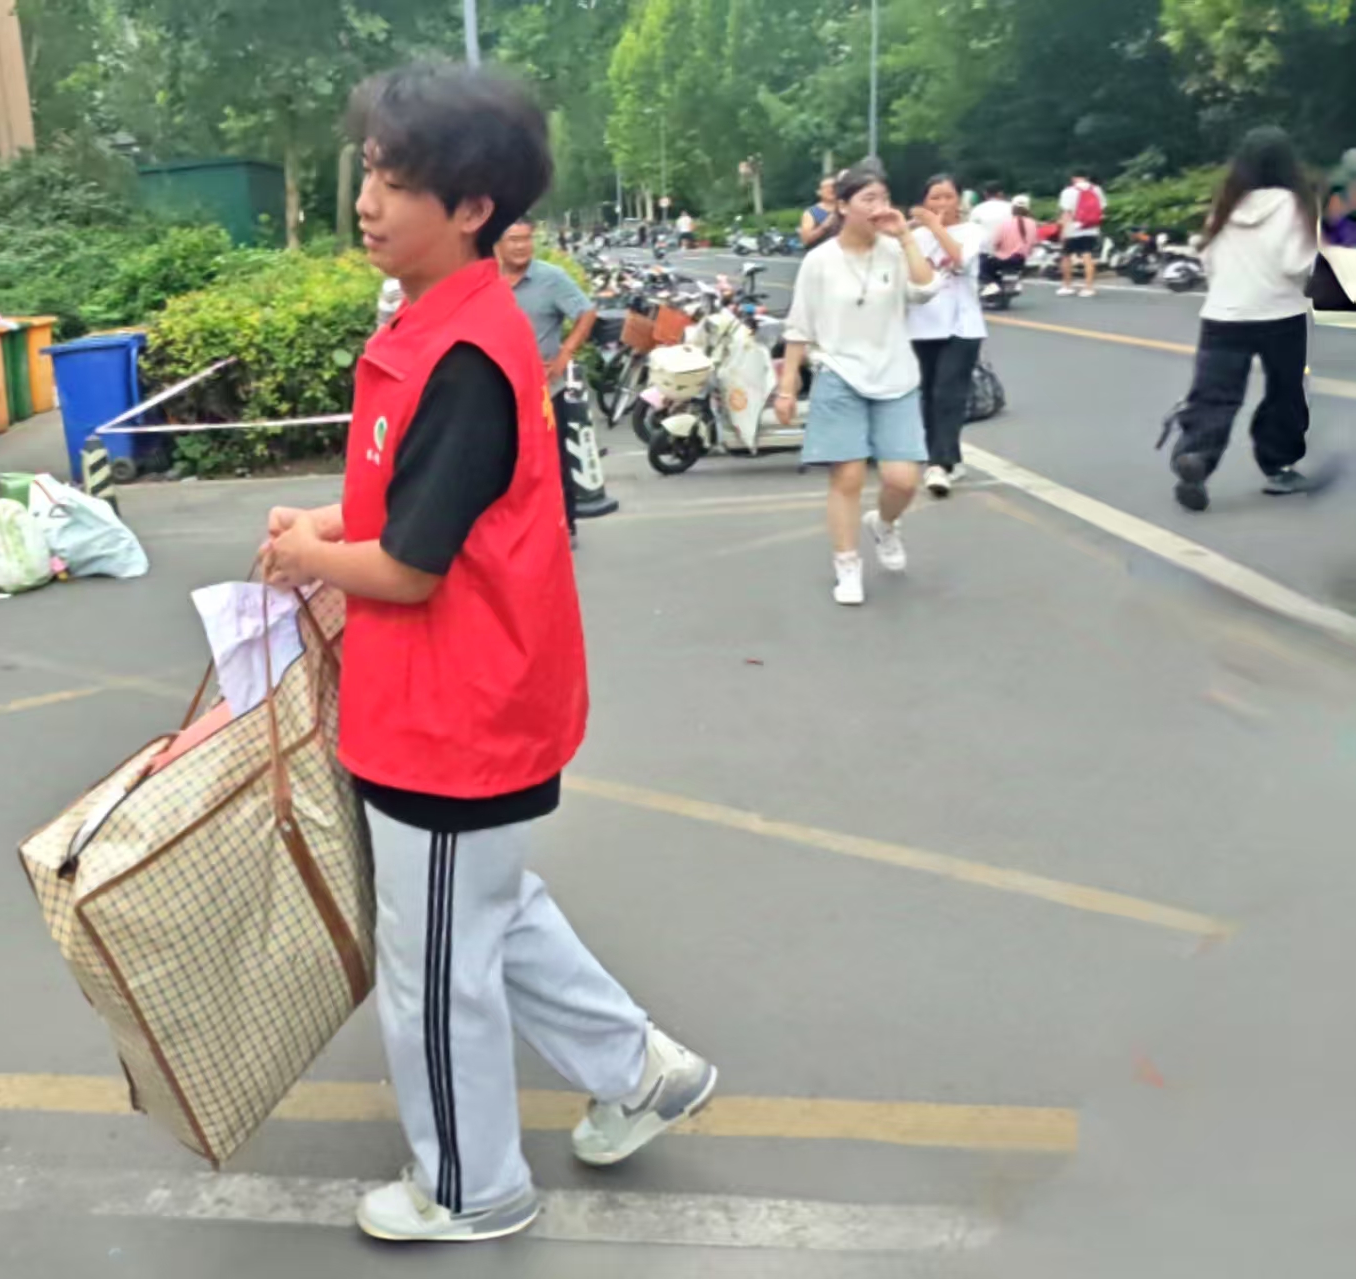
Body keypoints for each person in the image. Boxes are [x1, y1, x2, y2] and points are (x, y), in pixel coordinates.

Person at [263, 62, 716, 1244]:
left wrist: (312, 556)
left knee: (435, 963)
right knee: (489, 913)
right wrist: (324, 526)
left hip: (451, 715)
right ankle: (641, 1071)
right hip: (456, 700)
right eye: (368, 169)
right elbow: (412, 507)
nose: (367, 200)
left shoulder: (462, 353)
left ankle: (471, 1186)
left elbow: (411, 568)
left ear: (470, 208)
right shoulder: (435, 327)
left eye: (395, 180)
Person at [774, 161, 937, 606]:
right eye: (868, 199)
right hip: (839, 373)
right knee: (847, 476)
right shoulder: (819, 261)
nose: (879, 206)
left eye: (884, 198)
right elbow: (798, 326)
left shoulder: (894, 251)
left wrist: (906, 238)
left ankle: (884, 524)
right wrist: (787, 388)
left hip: (896, 374)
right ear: (843, 207)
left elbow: (926, 290)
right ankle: (847, 565)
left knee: (903, 480)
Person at [1165, 127, 1319, 512]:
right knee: (1285, 392)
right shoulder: (1294, 204)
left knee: (1213, 394)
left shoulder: (1226, 202)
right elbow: (1296, 263)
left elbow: (1208, 258)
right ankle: (1279, 467)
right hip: (1280, 314)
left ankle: (1197, 456)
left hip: (1223, 315)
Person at [495, 217, 599, 541]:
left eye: (526, 239)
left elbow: (586, 312)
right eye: (513, 239)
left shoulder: (551, 278)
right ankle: (514, 529)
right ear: (498, 244)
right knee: (505, 464)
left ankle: (564, 525)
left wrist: (566, 352)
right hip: (498, 391)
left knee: (551, 461)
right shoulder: (487, 280)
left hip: (544, 391)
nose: (521, 246)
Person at [906, 175, 988, 497]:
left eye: (948, 197)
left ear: (959, 200)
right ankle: (947, 458)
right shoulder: (914, 237)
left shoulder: (971, 231)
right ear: (924, 201)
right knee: (928, 393)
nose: (942, 204)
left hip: (962, 325)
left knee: (948, 392)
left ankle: (938, 464)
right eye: (935, 198)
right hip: (922, 324)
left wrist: (935, 227)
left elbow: (960, 260)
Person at [1057, 169, 1106, 297]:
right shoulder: (1097, 189)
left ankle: (1067, 286)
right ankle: (1088, 288)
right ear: (1087, 177)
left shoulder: (1068, 191)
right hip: (1091, 228)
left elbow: (1066, 213)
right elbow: (1102, 209)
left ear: (1073, 178)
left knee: (1066, 256)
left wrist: (1063, 231)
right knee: (1087, 256)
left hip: (1073, 229)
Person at [982, 194, 1040, 294]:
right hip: (1021, 260)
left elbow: (996, 242)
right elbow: (1033, 243)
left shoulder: (1005, 223)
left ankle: (993, 284)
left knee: (982, 264)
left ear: (1012, 208)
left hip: (1004, 259)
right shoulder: (1033, 224)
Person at [800, 174, 839, 249]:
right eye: (826, 187)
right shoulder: (811, 212)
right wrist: (824, 226)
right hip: (820, 254)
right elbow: (805, 240)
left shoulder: (848, 209)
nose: (831, 189)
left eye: (834, 186)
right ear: (819, 192)